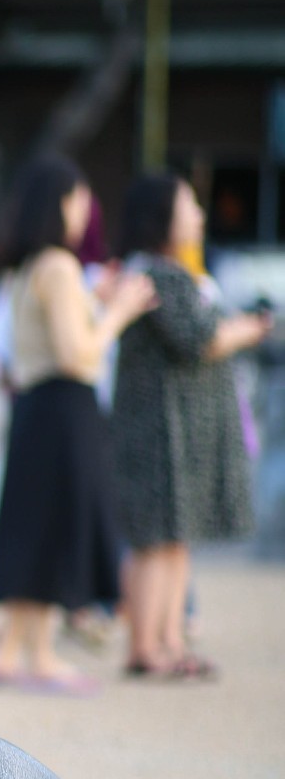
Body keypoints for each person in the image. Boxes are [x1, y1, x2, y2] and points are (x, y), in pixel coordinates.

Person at [0, 155, 156, 691]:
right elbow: (77, 353)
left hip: (37, 408)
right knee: (57, 527)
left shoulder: (27, 266)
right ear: (60, 204)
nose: (86, 211)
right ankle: (34, 656)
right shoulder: (58, 265)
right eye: (80, 200)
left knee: (36, 528)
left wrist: (95, 303)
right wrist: (119, 313)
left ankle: (19, 653)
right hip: (64, 408)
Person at [112, 172, 273, 678]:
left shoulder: (170, 273)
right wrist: (248, 329)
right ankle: (146, 647)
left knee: (175, 539)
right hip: (160, 432)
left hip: (176, 431)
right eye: (190, 205)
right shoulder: (158, 275)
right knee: (155, 540)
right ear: (161, 217)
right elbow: (200, 340)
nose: (200, 215)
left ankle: (170, 641)